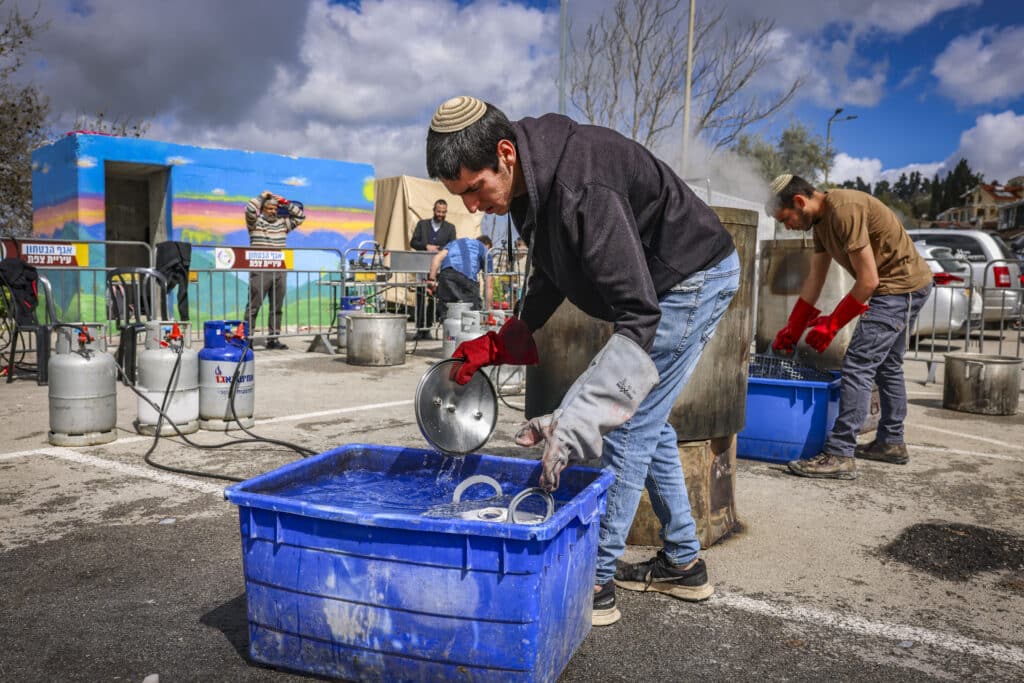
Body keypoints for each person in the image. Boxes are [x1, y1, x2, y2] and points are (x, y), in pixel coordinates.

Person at [425, 95, 739, 627]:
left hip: (690, 279)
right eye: (461, 196)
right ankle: (684, 562)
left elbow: (639, 315)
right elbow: (551, 273)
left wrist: (583, 415)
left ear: (505, 153)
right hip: (659, 289)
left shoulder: (581, 183)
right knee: (648, 420)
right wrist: (508, 338)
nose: (472, 207)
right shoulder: (529, 188)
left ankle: (593, 580)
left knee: (629, 420)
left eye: (475, 189)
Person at [766, 174, 933, 479]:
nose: (786, 226)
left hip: (898, 287)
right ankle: (891, 443)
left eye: (785, 218)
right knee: (888, 366)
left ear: (800, 202)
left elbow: (868, 280)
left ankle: (840, 453)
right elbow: (815, 279)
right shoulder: (820, 223)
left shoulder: (843, 210)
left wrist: (831, 325)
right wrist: (793, 327)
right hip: (902, 286)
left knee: (857, 363)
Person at [243, 190, 305, 349]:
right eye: (270, 208)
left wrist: (285, 202)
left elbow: (300, 217)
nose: (273, 211)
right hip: (260, 270)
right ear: (263, 209)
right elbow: (249, 209)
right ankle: (247, 338)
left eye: (275, 209)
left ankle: (273, 339)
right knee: (253, 305)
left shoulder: (282, 223)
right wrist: (261, 197)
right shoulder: (255, 223)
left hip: (279, 270)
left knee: (277, 306)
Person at [411, 199, 457, 339]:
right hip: (422, 267)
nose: (441, 214)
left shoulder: (450, 228)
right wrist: (426, 246)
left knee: (433, 298)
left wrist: (440, 250)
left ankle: (428, 328)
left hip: (439, 269)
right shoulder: (422, 225)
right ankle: (420, 328)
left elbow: (452, 246)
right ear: (434, 210)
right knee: (420, 297)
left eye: (443, 212)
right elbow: (413, 242)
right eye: (438, 211)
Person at [426, 234, 493, 317]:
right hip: (468, 279)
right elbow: (489, 286)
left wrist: (431, 280)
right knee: (471, 315)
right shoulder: (485, 250)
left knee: (448, 313)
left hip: (446, 275)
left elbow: (437, 258)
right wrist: (488, 310)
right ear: (487, 246)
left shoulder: (455, 243)